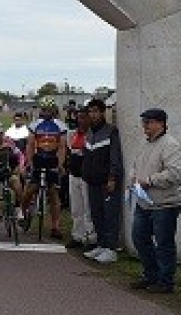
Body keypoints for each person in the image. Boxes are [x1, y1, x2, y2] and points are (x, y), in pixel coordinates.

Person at [128, 108, 181, 294]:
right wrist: (134, 178)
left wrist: (149, 180)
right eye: (144, 122)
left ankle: (166, 281)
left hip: (164, 204)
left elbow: (173, 174)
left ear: (161, 123)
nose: (145, 126)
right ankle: (151, 275)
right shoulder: (145, 145)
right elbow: (136, 165)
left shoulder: (170, 145)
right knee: (139, 238)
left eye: (149, 122)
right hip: (144, 202)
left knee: (164, 243)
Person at [81, 98, 123, 264]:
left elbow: (115, 157)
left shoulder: (111, 131)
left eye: (96, 111)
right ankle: (101, 244)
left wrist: (112, 177)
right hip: (92, 181)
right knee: (96, 213)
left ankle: (111, 249)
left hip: (107, 182)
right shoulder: (90, 132)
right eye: (90, 112)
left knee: (110, 214)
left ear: (103, 112)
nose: (93, 115)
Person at [20, 96, 67, 240]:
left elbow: (62, 147)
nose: (46, 112)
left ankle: (55, 226)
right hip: (38, 159)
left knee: (54, 194)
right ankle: (24, 213)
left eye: (49, 109)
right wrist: (29, 162)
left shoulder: (60, 125)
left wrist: (60, 164)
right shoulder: (35, 125)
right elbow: (30, 145)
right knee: (29, 190)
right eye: (44, 109)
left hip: (52, 161)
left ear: (53, 110)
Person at [66, 106, 95, 250]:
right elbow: (70, 151)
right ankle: (77, 235)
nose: (80, 121)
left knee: (88, 208)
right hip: (74, 174)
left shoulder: (92, 135)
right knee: (76, 207)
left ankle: (90, 238)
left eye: (84, 118)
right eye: (79, 118)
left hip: (87, 176)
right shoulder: (72, 134)